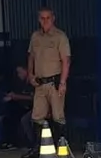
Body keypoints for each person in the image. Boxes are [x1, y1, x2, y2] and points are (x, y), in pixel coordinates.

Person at [27, 7, 71, 141]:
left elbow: (66, 60)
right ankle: (38, 149)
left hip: (54, 83)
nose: (45, 21)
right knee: (37, 117)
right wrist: (30, 74)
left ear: (53, 19)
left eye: (48, 18)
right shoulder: (35, 36)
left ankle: (61, 149)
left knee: (58, 116)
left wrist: (63, 82)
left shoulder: (60, 37)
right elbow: (31, 57)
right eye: (42, 18)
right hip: (39, 83)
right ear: (38, 19)